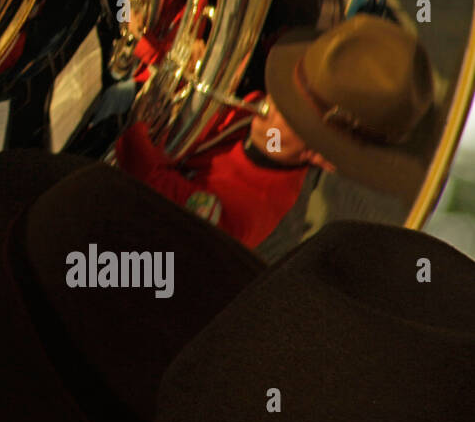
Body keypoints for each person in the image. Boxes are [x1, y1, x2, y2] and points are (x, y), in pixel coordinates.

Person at [117, 14, 435, 250]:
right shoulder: (265, 124)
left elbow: (143, 175)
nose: (270, 101)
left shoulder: (245, 212)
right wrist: (159, 56)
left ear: (323, 156)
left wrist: (136, 118)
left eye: (295, 112)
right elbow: (187, 113)